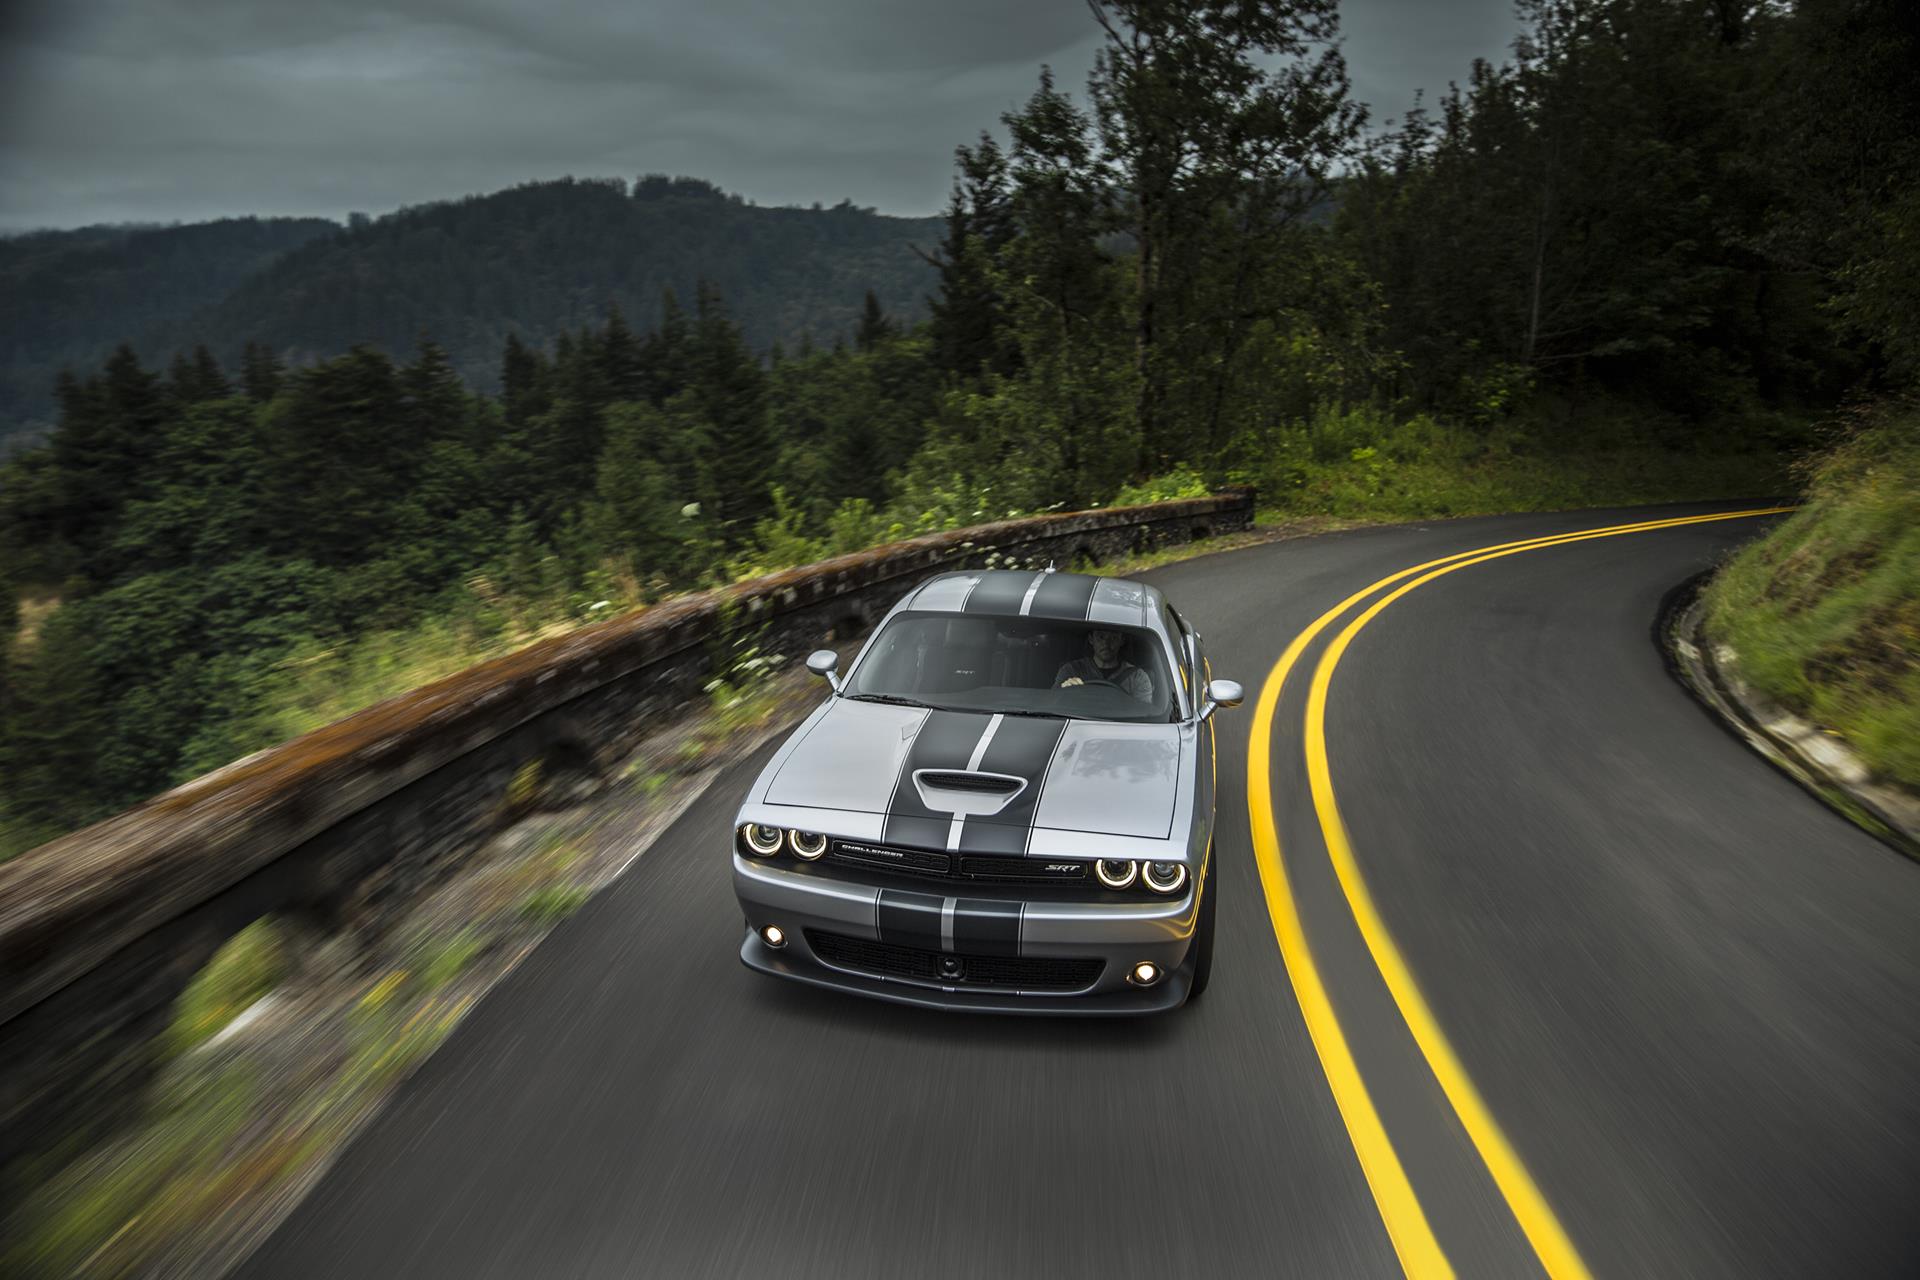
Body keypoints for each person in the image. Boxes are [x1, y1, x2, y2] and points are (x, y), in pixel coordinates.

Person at [1054, 628, 1153, 701]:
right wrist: (1064, 692)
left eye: (1113, 637)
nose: (1106, 643)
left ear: (1122, 641)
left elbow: (1144, 715)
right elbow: (1053, 703)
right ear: (1091, 639)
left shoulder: (1137, 677)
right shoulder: (1071, 671)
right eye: (1101, 637)